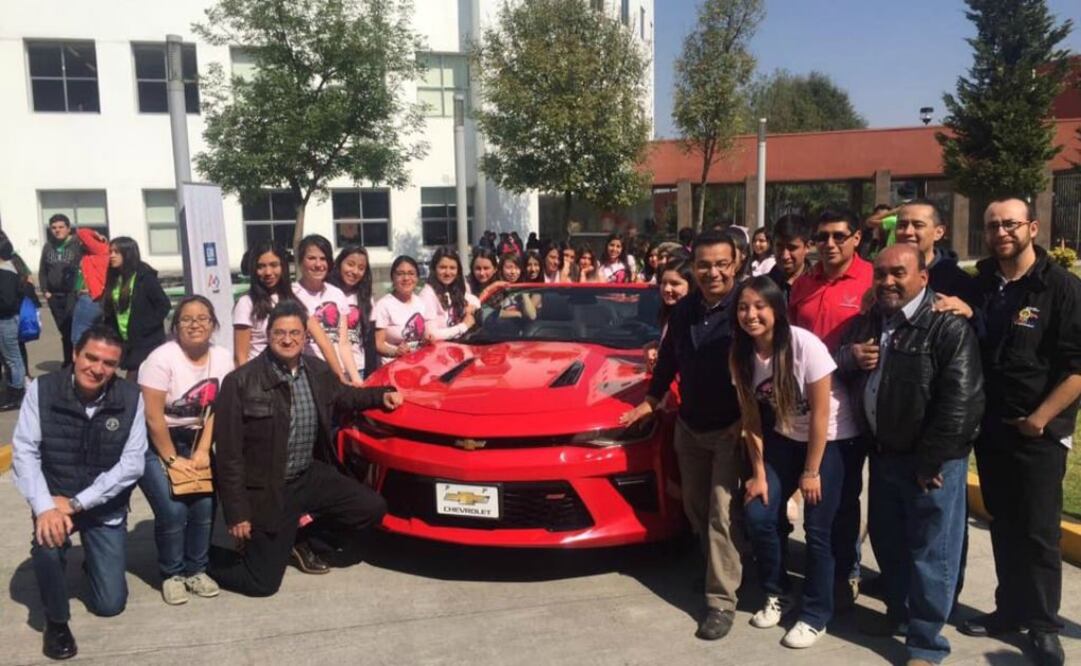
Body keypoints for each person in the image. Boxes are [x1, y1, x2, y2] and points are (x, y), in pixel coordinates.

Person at [835, 245, 983, 664]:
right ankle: (899, 614)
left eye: (898, 273)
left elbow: (961, 402)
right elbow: (836, 361)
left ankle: (926, 644)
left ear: (923, 277)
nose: (887, 282)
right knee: (890, 542)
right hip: (884, 457)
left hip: (928, 464)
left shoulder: (946, 326)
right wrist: (850, 356)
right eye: (880, 274)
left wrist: (932, 459)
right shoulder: (870, 321)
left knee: (931, 554)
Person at [207, 300, 402, 597]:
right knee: (262, 584)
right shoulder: (241, 382)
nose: (288, 340)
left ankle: (302, 542)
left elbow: (346, 396)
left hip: (307, 476)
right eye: (280, 333)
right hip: (267, 487)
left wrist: (381, 396)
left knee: (371, 508)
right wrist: (237, 514)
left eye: (295, 333)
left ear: (305, 336)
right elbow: (229, 455)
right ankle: (198, 560)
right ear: (268, 335)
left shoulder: (317, 370)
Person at [959, 198, 1081, 666]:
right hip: (991, 432)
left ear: (1032, 227)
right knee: (1004, 525)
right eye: (993, 225)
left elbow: (1076, 367)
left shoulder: (1062, 288)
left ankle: (1044, 625)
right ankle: (1009, 612)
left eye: (1010, 224)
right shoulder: (986, 285)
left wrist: (1041, 419)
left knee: (1040, 533)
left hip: (1038, 436)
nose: (1001, 232)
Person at [621, 231, 747, 641]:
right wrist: (651, 400)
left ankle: (721, 601)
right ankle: (722, 566)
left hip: (731, 427)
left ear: (736, 263)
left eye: (721, 264)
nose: (712, 272)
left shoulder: (746, 307)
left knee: (720, 513)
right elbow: (670, 360)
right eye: (704, 265)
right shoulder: (684, 310)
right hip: (692, 426)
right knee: (694, 506)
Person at [735, 276, 858, 649]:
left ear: (776, 310)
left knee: (818, 529)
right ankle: (778, 592)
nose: (751, 314)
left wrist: (811, 471)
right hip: (785, 438)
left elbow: (821, 414)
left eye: (760, 306)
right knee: (759, 513)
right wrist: (758, 474)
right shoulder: (740, 353)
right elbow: (752, 420)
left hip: (832, 440)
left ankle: (816, 614)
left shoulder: (805, 345)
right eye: (743, 307)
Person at [12, 325, 146, 660]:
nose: (98, 369)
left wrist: (75, 503)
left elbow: (131, 465)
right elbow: (25, 451)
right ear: (75, 353)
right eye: (91, 357)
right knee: (47, 544)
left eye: (109, 363)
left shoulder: (131, 398)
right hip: (54, 499)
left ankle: (94, 564)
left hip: (99, 505)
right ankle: (56, 622)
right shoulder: (42, 389)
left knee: (110, 604)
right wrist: (44, 507)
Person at [788, 208, 873, 610]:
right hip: (805, 410)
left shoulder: (874, 279)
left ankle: (847, 571)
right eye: (822, 237)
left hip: (854, 410)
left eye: (840, 236)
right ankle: (824, 573)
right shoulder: (802, 285)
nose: (830, 244)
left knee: (844, 498)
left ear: (857, 238)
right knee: (817, 502)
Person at [137, 296, 234, 605]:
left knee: (204, 506)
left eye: (203, 318)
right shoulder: (160, 358)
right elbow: (153, 416)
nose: (195, 324)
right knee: (173, 508)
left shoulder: (222, 357)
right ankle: (172, 573)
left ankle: (197, 569)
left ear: (214, 324)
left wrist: (205, 449)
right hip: (157, 440)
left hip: (196, 438)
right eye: (187, 319)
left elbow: (216, 408)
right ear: (175, 326)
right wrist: (171, 459)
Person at [893, 199, 981, 317]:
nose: (908, 232)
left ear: (939, 232)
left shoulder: (959, 282)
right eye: (902, 225)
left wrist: (970, 314)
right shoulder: (883, 277)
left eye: (918, 225)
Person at [101, 237, 170, 380]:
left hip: (146, 341)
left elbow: (163, 305)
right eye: (110, 252)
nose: (112, 255)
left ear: (128, 254)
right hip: (125, 340)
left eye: (116, 252)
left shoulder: (144, 277)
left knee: (135, 379)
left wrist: (144, 327)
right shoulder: (114, 276)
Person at [291, 235, 354, 383]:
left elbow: (343, 343)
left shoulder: (337, 294)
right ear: (300, 261)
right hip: (306, 375)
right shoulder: (290, 294)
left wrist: (354, 378)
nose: (318, 264)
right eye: (311, 258)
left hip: (337, 373)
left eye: (323, 258)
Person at [233, 241, 295, 367]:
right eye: (261, 266)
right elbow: (241, 356)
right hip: (259, 377)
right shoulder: (246, 303)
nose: (268, 272)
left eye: (274, 265)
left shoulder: (295, 297)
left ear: (283, 266)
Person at [327, 244, 378, 382]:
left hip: (357, 369)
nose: (355, 271)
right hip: (328, 368)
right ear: (339, 263)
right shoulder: (325, 292)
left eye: (361, 268)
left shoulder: (365, 298)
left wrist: (371, 373)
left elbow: (370, 341)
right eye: (350, 264)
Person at [39, 214, 82, 366]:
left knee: (73, 330)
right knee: (64, 331)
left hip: (72, 295)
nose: (57, 231)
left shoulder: (78, 245)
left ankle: (75, 362)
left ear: (68, 228)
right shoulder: (48, 246)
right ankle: (68, 362)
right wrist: (45, 291)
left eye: (61, 227)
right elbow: (43, 270)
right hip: (54, 297)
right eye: (54, 228)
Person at [373, 256, 429, 362]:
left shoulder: (421, 303)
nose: (406, 278)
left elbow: (421, 338)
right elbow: (378, 344)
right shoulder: (383, 305)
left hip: (417, 364)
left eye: (411, 273)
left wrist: (427, 340)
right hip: (393, 367)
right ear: (392, 278)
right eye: (400, 274)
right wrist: (395, 352)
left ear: (417, 278)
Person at [420, 247, 480, 342]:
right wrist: (463, 326)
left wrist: (472, 307)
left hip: (460, 345)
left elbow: (475, 300)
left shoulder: (457, 287)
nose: (448, 273)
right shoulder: (428, 294)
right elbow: (430, 334)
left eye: (452, 268)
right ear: (434, 269)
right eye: (443, 267)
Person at [69, 228, 110, 348]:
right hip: (94, 296)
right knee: (95, 334)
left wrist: (95, 234)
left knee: (79, 335)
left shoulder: (100, 249)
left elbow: (82, 232)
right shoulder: (91, 254)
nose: (81, 243)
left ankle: (80, 361)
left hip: (91, 297)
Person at [0, 240, 27, 410]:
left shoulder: (6, 273)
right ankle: (13, 391)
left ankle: (17, 394)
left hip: (6, 320)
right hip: (5, 320)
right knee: (10, 358)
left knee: (13, 359)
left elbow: (8, 302)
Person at [767, 215, 812, 304]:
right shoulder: (761, 287)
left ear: (807, 247)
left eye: (792, 248)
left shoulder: (818, 287)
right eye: (779, 247)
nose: (785, 256)